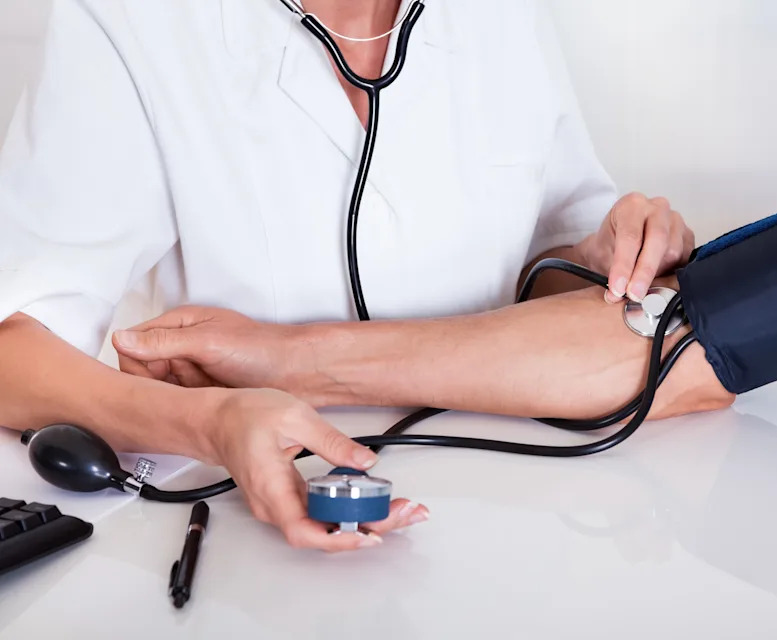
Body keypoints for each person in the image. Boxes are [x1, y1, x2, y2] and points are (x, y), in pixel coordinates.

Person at [0, 0, 697, 552]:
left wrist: (616, 256)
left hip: (539, 512)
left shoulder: (503, 14)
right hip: (247, 522)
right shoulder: (129, 17)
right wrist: (211, 425)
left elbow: (553, 275)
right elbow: (12, 349)